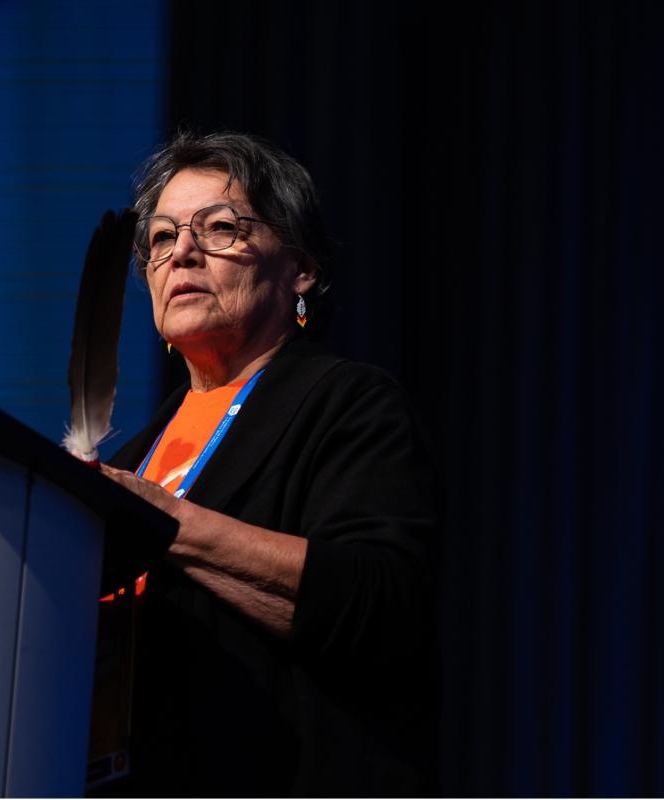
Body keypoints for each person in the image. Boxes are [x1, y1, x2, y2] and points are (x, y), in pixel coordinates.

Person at [98, 131, 439, 795]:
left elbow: (382, 605)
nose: (182, 253)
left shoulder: (345, 403)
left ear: (302, 268)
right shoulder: (137, 455)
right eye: (162, 238)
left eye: (220, 228)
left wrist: (164, 519)